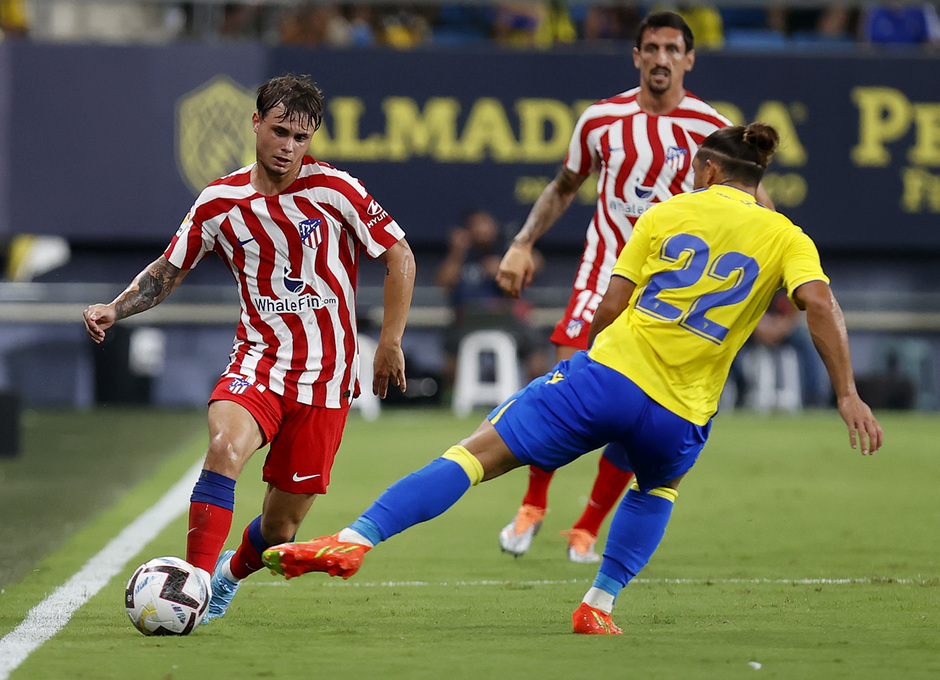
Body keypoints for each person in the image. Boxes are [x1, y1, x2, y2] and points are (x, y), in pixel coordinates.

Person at [260, 122, 883, 635]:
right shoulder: (786, 236)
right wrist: (848, 392)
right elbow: (821, 306)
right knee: (656, 490)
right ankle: (599, 605)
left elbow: (610, 306)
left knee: (475, 455)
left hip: (610, 376)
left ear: (710, 172)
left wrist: (579, 367)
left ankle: (357, 538)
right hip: (684, 414)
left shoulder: (667, 214)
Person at [82, 74, 415, 624]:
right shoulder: (220, 201)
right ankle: (188, 589)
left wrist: (390, 342)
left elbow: (399, 257)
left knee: (281, 528)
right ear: (256, 122)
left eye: (301, 138)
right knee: (223, 448)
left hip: (326, 381)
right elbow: (170, 267)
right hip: (257, 364)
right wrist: (115, 308)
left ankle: (225, 578)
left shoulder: (337, 190)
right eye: (280, 131)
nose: (288, 147)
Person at [494, 10, 772, 564]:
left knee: (637, 413)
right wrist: (523, 241)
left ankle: (587, 526)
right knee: (563, 384)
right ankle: (532, 504)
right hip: (603, 275)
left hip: (668, 294)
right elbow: (564, 186)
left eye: (674, 49)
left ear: (689, 59)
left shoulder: (710, 129)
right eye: (652, 47)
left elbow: (757, 204)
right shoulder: (601, 120)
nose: (662, 58)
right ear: (637, 56)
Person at [435, 208, 549, 393]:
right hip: (468, 321)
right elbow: (442, 283)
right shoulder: (463, 254)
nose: (482, 230)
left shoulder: (507, 247)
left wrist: (504, 267)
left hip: (508, 319)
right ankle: (452, 400)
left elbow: (537, 264)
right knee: (448, 346)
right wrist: (457, 251)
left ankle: (536, 397)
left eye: (486, 224)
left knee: (536, 344)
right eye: (477, 225)